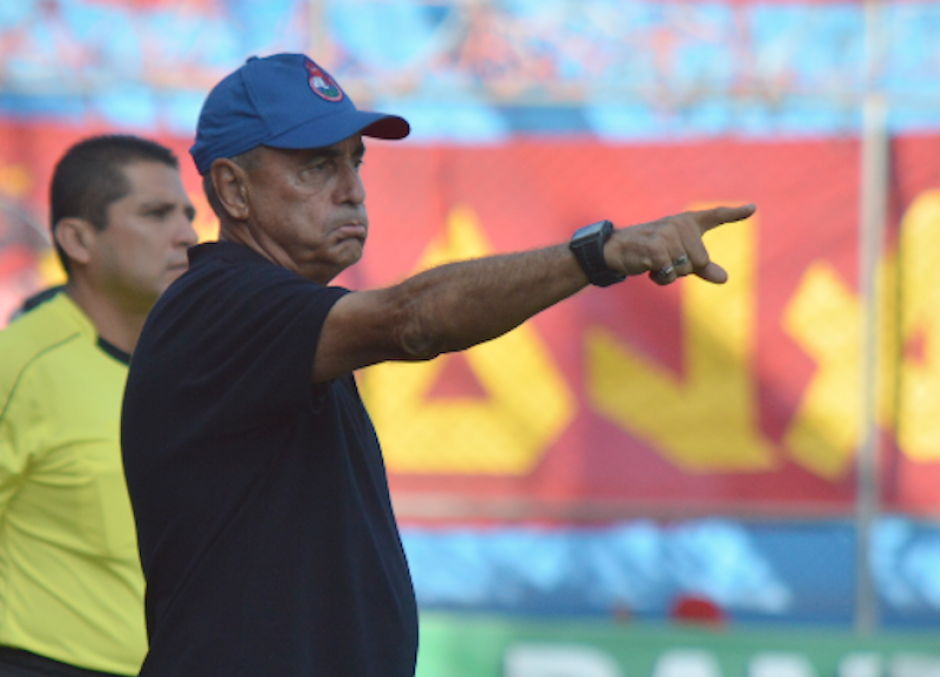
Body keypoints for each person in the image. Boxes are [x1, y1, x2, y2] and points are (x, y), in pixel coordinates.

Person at [120, 53, 756, 677]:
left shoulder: (268, 315)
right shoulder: (221, 301)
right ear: (233, 189)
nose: (352, 188)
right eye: (317, 165)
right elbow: (412, 320)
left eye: (355, 160)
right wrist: (600, 254)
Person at [0, 135, 197, 677]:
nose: (187, 235)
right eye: (156, 214)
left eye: (188, 214)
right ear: (78, 239)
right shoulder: (18, 365)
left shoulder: (202, 368)